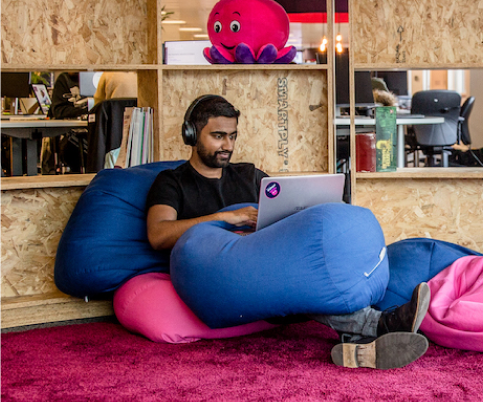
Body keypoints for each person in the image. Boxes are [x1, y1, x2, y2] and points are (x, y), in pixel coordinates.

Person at [146, 94, 430, 370]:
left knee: (297, 271)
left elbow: (281, 215)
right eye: (218, 136)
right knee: (288, 275)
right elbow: (158, 234)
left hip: (267, 263)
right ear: (192, 134)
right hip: (216, 274)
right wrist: (225, 218)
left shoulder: (249, 175)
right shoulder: (172, 181)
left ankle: (363, 339)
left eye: (232, 136)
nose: (227, 145)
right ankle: (380, 324)